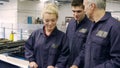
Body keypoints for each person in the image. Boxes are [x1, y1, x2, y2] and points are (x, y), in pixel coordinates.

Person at [72, 0, 120, 68]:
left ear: (92, 6)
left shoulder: (115, 27)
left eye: (84, 6)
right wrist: (76, 64)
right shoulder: (93, 25)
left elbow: (118, 60)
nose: (84, 10)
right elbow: (86, 48)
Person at [25, 3, 69, 68]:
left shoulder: (62, 37)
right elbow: (28, 48)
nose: (50, 23)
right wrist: (31, 60)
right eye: (47, 20)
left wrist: (57, 67)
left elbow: (64, 56)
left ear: (57, 19)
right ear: (43, 19)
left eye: (53, 20)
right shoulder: (35, 34)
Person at [66, 0, 91, 68]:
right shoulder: (71, 23)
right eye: (73, 11)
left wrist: (77, 63)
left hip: (81, 64)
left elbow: (87, 48)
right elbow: (66, 43)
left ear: (84, 10)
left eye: (79, 11)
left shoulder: (90, 25)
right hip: (68, 63)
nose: (75, 14)